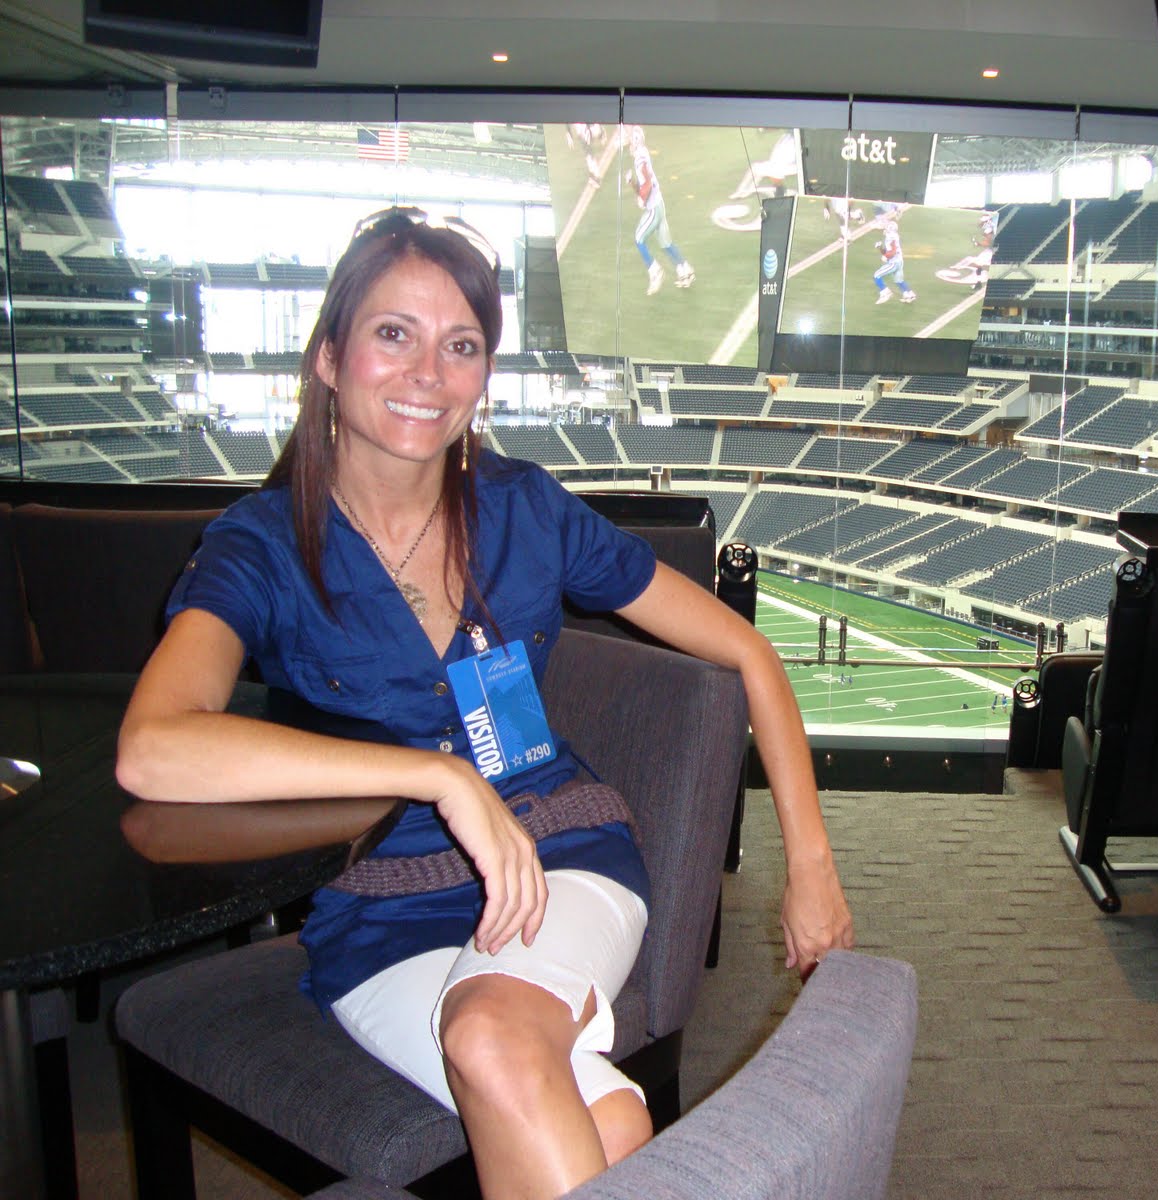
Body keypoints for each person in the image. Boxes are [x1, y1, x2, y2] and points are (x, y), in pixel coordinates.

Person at [115, 206, 853, 1200]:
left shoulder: (524, 508)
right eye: (393, 334)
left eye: (460, 345)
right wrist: (437, 777)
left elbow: (749, 655)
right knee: (604, 1115)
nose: (429, 373)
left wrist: (810, 867)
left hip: (559, 855)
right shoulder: (260, 544)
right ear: (329, 357)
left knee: (492, 1036)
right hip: (376, 913)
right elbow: (154, 751)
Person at [623, 125, 694, 294]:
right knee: (666, 243)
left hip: (654, 207)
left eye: (630, 141)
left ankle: (655, 271)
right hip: (658, 203)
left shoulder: (640, 157)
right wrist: (632, 183)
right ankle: (685, 270)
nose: (629, 146)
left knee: (639, 238)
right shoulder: (643, 153)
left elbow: (647, 182)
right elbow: (643, 185)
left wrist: (642, 197)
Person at [872, 206, 916, 305]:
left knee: (877, 275)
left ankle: (885, 292)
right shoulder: (893, 236)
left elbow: (892, 252)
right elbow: (888, 251)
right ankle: (909, 294)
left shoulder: (891, 237)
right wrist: (880, 248)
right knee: (899, 280)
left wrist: (886, 256)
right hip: (899, 261)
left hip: (894, 262)